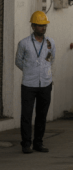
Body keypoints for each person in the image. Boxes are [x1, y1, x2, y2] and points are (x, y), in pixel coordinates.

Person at [15, 11, 56, 154]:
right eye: (39, 26)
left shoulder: (50, 43)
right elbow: (18, 62)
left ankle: (38, 143)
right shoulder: (24, 43)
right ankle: (26, 144)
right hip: (28, 85)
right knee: (26, 115)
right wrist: (30, 70)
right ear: (33, 26)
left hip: (45, 84)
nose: (43, 28)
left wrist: (43, 71)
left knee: (41, 115)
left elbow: (51, 59)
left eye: (44, 25)